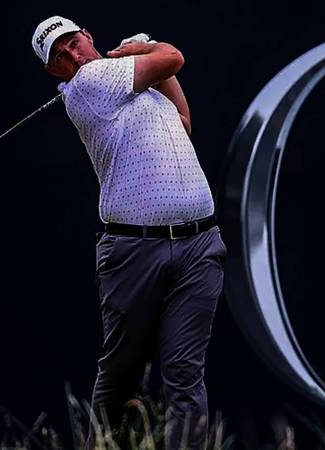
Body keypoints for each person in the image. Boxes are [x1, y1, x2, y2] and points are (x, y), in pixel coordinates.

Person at [31, 15, 227, 450]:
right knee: (121, 375)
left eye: (73, 43)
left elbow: (183, 120)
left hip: (198, 247)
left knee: (185, 375)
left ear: (87, 36)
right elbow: (173, 57)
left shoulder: (135, 88)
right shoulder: (89, 83)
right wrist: (143, 48)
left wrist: (146, 55)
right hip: (134, 250)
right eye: (59, 56)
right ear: (53, 71)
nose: (72, 56)